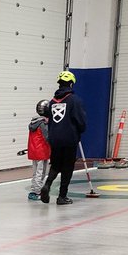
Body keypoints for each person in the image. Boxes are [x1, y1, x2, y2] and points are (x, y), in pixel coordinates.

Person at [39, 70, 87, 206]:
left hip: (55, 139)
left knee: (55, 165)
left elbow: (50, 119)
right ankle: (62, 196)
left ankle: (47, 185)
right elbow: (80, 120)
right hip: (69, 138)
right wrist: (81, 130)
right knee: (67, 167)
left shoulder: (52, 102)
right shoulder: (74, 100)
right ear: (71, 84)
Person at [26, 99, 51, 201]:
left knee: (36, 171)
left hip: (35, 151)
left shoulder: (34, 122)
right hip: (41, 151)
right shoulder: (43, 124)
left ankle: (35, 189)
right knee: (41, 172)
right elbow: (47, 138)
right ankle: (37, 191)